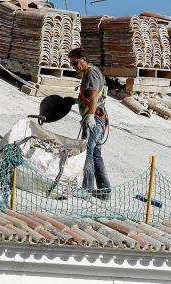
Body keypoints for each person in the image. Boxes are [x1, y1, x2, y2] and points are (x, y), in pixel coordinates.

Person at [68, 47, 111, 200]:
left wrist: (91, 116)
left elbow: (93, 96)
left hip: (95, 120)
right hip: (98, 118)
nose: (74, 66)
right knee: (97, 155)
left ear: (84, 60)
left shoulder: (91, 73)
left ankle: (87, 190)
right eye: (72, 64)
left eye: (76, 63)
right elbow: (88, 96)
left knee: (88, 153)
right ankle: (105, 191)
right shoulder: (89, 72)